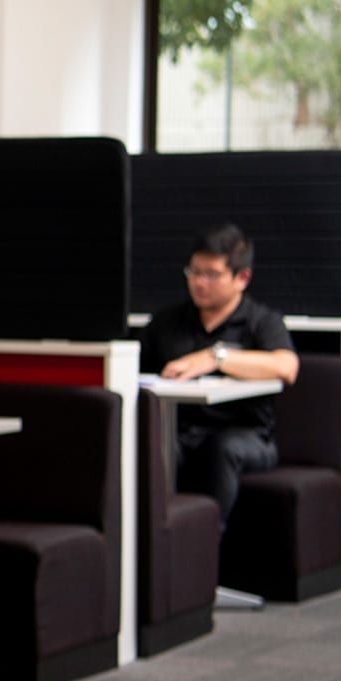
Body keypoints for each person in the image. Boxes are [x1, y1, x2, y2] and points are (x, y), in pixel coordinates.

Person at [140, 224, 299, 525]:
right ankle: (157, 536)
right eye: (194, 272)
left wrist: (217, 358)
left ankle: (209, 538)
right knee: (156, 443)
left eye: (211, 274)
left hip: (247, 435)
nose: (199, 282)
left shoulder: (261, 321)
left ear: (242, 278)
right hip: (181, 429)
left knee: (222, 449)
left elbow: (286, 367)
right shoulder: (167, 321)